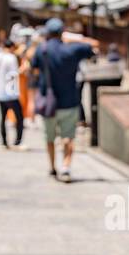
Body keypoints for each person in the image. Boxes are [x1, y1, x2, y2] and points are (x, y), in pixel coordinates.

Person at [31, 17, 98, 182]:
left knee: (50, 138)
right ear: (62, 33)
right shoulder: (72, 49)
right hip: (70, 101)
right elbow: (93, 46)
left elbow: (34, 68)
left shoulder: (42, 50)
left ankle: (52, 167)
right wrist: (74, 38)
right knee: (68, 137)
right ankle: (66, 168)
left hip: (49, 103)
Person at [0, 36, 24, 148]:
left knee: (3, 117)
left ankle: (4, 141)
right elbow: (13, 75)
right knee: (19, 117)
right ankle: (17, 140)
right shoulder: (11, 57)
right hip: (10, 93)